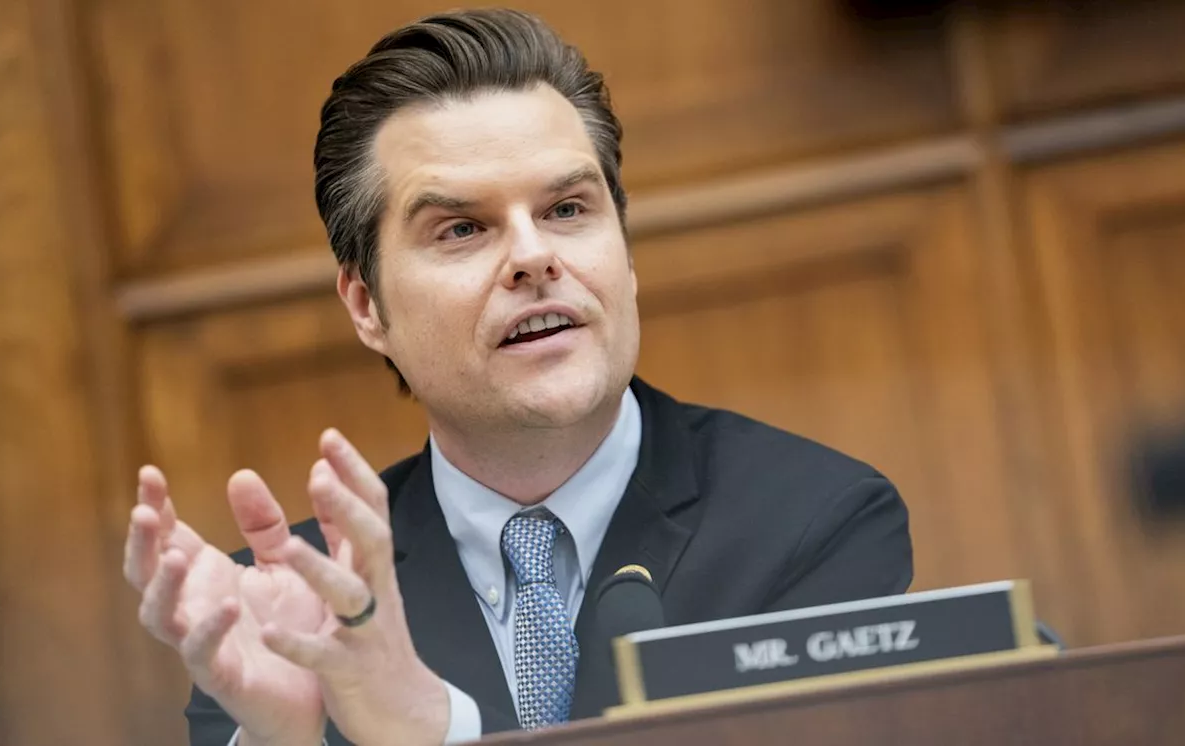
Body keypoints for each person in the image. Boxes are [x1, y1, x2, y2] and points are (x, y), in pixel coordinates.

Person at [122, 8, 913, 746]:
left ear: (626, 253)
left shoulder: (815, 523)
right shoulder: (288, 612)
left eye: (568, 209)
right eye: (463, 228)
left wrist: (429, 726)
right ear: (366, 305)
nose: (536, 257)